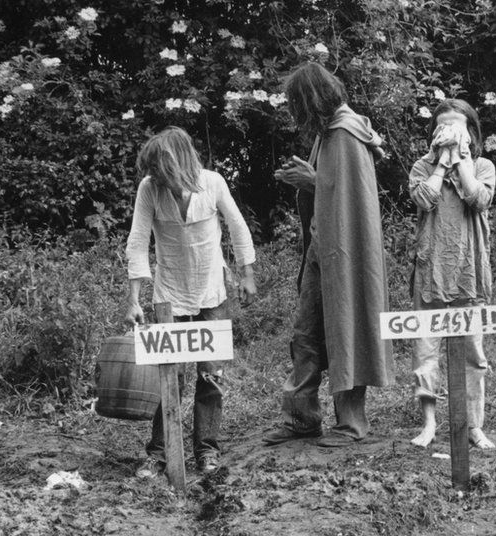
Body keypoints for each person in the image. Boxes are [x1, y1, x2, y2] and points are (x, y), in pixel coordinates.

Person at [263, 62, 391, 448]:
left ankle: (352, 424)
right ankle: (301, 417)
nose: (295, 113)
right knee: (305, 334)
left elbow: (350, 199)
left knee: (345, 328)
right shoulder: (328, 132)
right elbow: (331, 188)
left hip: (346, 254)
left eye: (296, 104)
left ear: (310, 99)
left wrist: (313, 181)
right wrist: (310, 177)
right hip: (323, 249)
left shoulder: (346, 132)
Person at [124, 126, 257, 477]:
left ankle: (207, 451)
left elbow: (238, 227)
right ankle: (159, 453)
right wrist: (134, 299)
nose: (153, 177)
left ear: (177, 164)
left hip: (211, 292)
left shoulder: (212, 183)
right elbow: (138, 241)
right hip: (169, 295)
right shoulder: (149, 189)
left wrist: (247, 276)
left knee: (211, 376)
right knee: (169, 376)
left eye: (158, 170)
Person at [407, 99, 496, 450]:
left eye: (456, 127)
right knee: (425, 352)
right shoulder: (421, 167)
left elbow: (478, 199)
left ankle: (474, 426)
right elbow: (425, 199)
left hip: (468, 271)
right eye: (442, 126)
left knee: (474, 353)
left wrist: (460, 162)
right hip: (431, 269)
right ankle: (429, 424)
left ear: (471, 133)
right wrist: (442, 165)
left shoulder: (483, 166)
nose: (448, 133)